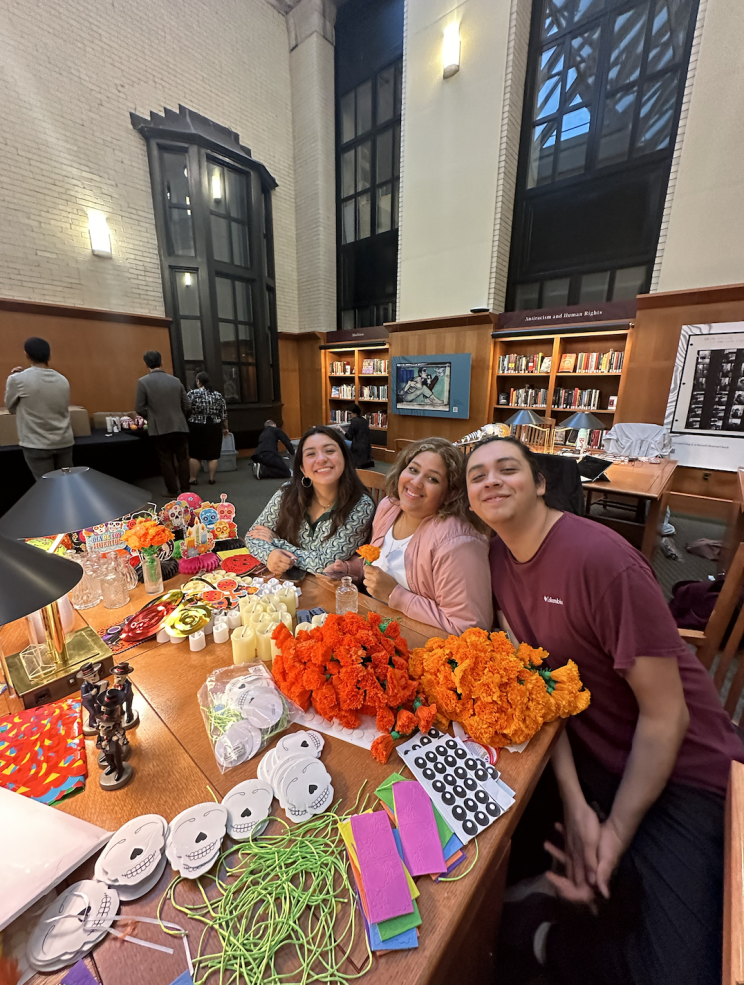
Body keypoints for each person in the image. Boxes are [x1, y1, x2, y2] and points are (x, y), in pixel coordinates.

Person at [464, 435, 744, 985]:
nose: (492, 480)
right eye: (478, 475)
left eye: (507, 468)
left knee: (680, 970)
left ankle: (570, 923)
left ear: (541, 483)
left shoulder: (600, 560)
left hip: (685, 773)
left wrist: (613, 832)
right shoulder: (496, 559)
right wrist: (576, 806)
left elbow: (668, 719)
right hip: (589, 754)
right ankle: (560, 914)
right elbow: (541, 691)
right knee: (478, 840)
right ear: (470, 499)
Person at [323, 437, 491, 635]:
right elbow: (381, 565)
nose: (416, 482)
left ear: (450, 493)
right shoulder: (390, 506)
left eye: (433, 479)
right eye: (413, 469)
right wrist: (351, 569)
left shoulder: (458, 543)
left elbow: (470, 627)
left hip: (422, 645)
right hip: (377, 625)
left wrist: (394, 594)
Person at [244, 425, 374, 576]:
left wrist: (275, 542)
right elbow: (252, 536)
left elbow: (325, 565)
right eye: (311, 454)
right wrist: (270, 555)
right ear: (303, 469)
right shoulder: (288, 492)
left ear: (344, 458)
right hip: (286, 585)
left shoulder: (360, 505)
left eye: (330, 451)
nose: (321, 459)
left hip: (329, 591)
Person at [4, 337, 74, 480]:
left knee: (46, 489)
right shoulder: (63, 379)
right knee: (68, 485)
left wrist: (16, 377)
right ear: (49, 356)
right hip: (64, 441)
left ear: (27, 354)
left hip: (36, 444)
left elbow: (11, 408)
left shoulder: (17, 380)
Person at [135, 351, 191, 497]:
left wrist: (153, 417)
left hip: (159, 429)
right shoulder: (176, 381)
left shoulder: (143, 382)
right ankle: (186, 489)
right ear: (161, 362)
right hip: (179, 426)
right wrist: (179, 417)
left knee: (166, 460)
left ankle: (172, 490)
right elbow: (187, 405)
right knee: (183, 458)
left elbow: (139, 408)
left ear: (146, 364)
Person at [186, 372, 228, 486]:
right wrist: (225, 428)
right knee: (213, 455)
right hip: (214, 426)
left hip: (196, 426)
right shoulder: (218, 395)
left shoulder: (192, 394)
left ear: (198, 381)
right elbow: (223, 414)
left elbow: (186, 408)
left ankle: (193, 478)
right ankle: (211, 478)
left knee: (195, 454)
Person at [345, 404, 374, 469]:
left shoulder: (354, 421)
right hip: (366, 448)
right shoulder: (364, 420)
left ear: (354, 413)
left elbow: (349, 436)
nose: (349, 415)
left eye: (350, 413)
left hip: (357, 448)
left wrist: (341, 430)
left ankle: (346, 462)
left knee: (342, 442)